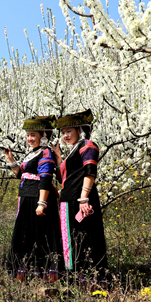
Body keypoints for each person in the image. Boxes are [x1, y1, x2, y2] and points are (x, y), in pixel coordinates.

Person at [52, 109, 109, 284]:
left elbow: (90, 172)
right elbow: (65, 178)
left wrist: (84, 197)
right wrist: (59, 157)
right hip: (68, 202)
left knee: (85, 238)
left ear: (79, 130)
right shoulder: (74, 150)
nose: (65, 136)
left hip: (80, 202)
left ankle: (90, 279)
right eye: (63, 133)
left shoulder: (88, 146)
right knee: (71, 239)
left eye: (69, 131)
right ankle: (73, 277)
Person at [4, 115, 63, 282]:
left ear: (43, 135)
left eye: (33, 135)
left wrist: (42, 203)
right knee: (27, 236)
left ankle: (45, 274)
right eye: (28, 135)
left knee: (40, 236)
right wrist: (11, 160)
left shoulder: (46, 152)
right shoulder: (33, 153)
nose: (29, 138)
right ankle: (28, 273)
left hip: (37, 199)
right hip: (27, 198)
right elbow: (22, 175)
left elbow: (45, 179)